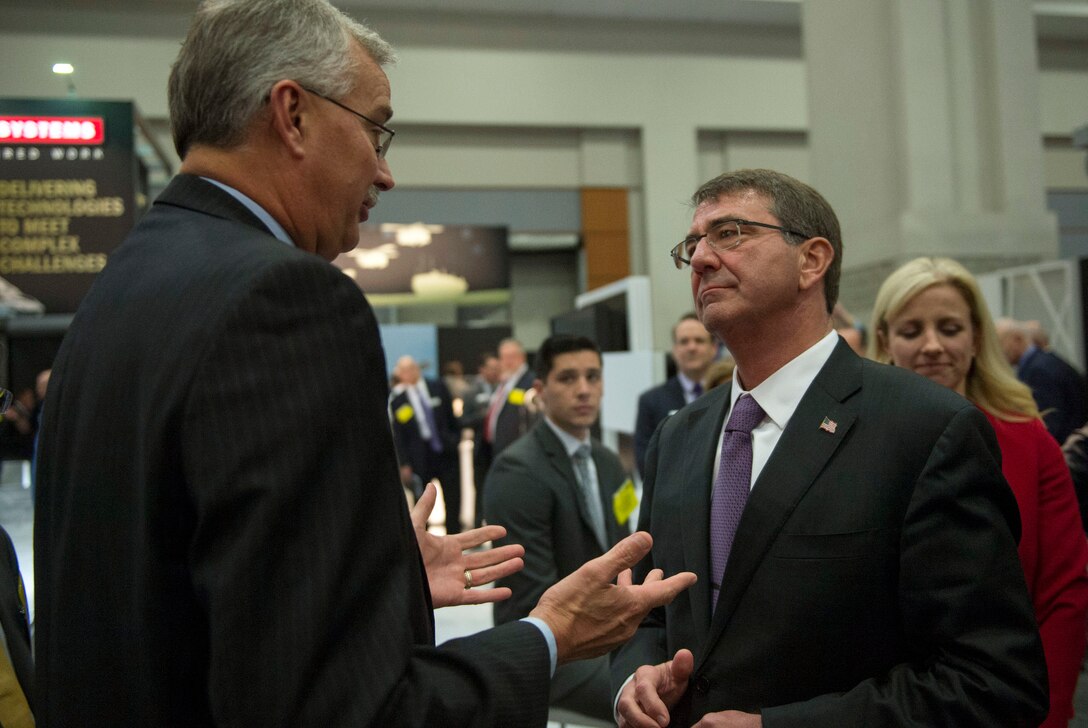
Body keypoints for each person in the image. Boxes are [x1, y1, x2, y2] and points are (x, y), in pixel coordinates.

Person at [32, 2, 696, 726]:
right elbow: (339, 708)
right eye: (376, 129)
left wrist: (381, 578)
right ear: (293, 114)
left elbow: (180, 589)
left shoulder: (120, 287)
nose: (385, 172)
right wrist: (548, 636)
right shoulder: (285, 299)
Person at [612, 168, 1047, 728]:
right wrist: (637, 677)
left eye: (730, 234)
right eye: (692, 244)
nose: (700, 259)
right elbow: (653, 613)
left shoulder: (925, 430)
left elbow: (994, 681)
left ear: (811, 261)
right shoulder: (678, 436)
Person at [870, 256, 1088, 728]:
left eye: (949, 328)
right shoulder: (851, 444)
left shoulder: (1031, 443)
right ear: (885, 341)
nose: (932, 346)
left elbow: (1063, 593)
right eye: (912, 331)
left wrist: (1046, 715)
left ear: (976, 338)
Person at [485, 334, 636, 721]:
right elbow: (529, 603)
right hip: (550, 647)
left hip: (612, 630)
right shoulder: (518, 470)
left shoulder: (607, 463)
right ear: (540, 390)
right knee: (659, 698)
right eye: (568, 379)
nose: (584, 390)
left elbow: (623, 554)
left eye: (592, 377)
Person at [633, 313, 716, 477]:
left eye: (699, 340)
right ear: (674, 350)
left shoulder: (731, 394)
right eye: (684, 341)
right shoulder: (651, 401)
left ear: (713, 348)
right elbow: (645, 463)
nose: (691, 347)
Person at [390, 354, 463, 532]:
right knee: (422, 501)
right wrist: (404, 463)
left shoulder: (437, 387)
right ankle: (424, 543)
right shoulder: (398, 401)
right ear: (399, 375)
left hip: (445, 451)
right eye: (404, 371)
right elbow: (399, 435)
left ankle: (454, 537)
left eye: (411, 368)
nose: (409, 373)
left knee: (453, 498)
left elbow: (451, 417)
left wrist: (455, 439)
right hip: (420, 457)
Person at [995, 317, 1088, 444]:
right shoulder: (1043, 362)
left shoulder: (1038, 371)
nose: (998, 351)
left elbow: (1049, 423)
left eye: (1000, 343)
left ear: (1017, 339)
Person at [460, 353, 503, 526]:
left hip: (500, 448)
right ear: (482, 370)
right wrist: (485, 416)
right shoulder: (470, 392)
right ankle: (478, 524)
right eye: (491, 368)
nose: (494, 372)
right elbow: (463, 420)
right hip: (480, 449)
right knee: (480, 487)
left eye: (496, 368)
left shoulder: (503, 389)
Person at [485, 338, 537, 457]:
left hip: (517, 449)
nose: (508, 361)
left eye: (512, 356)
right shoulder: (506, 381)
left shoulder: (530, 381)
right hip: (499, 448)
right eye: (504, 357)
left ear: (522, 357)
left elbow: (525, 409)